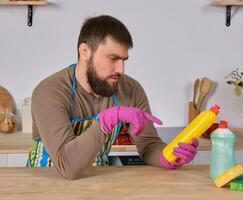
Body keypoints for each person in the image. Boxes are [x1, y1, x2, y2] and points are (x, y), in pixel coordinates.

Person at [27, 15, 199, 179]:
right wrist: (109, 119)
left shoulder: (130, 89)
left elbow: (148, 145)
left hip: (98, 181)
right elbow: (67, 165)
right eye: (113, 58)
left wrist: (168, 156)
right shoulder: (50, 91)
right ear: (85, 51)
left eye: (124, 60)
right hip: (47, 182)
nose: (121, 69)